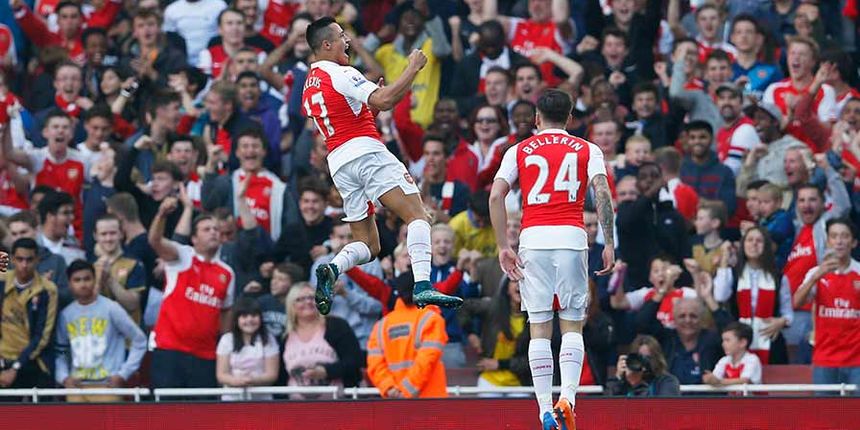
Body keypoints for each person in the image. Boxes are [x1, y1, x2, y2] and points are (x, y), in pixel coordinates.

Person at [301, 17, 461, 314]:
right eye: (341, 36)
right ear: (326, 44)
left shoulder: (309, 87)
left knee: (370, 246)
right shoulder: (340, 73)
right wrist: (413, 66)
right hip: (367, 153)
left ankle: (333, 267)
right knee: (418, 216)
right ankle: (424, 284)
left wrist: (370, 106)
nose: (347, 40)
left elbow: (347, 117)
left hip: (340, 164)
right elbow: (386, 100)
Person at [489, 89, 614, 429]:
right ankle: (568, 399)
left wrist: (504, 244)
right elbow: (601, 192)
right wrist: (609, 242)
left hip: (534, 238)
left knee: (539, 327)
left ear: (536, 119)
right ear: (570, 118)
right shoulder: (588, 149)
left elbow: (497, 194)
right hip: (573, 237)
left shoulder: (519, 150)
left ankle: (544, 408)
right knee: (573, 322)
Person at [148, 198, 235, 389]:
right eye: (206, 229)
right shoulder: (182, 256)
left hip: (206, 356)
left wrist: (224, 348)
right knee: (167, 414)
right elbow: (155, 241)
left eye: (216, 229)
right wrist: (161, 214)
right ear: (194, 238)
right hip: (170, 350)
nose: (213, 232)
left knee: (202, 416)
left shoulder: (227, 273)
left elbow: (226, 312)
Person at [54, 260, 146, 402]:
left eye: (87, 279)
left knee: (109, 425)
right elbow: (60, 350)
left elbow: (139, 340)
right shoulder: (66, 314)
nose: (83, 284)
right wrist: (64, 377)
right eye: (77, 280)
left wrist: (123, 374)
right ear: (69, 284)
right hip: (77, 387)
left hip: (108, 386)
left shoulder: (111, 308)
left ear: (95, 280)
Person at [794, 218, 860, 389]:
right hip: (825, 357)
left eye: (844, 236)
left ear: (853, 242)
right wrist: (816, 277)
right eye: (834, 236)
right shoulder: (816, 272)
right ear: (828, 241)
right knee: (824, 413)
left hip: (857, 359)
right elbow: (796, 302)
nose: (839, 241)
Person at [713, 227, 792, 364]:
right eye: (749, 240)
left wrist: (781, 321)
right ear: (743, 245)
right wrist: (724, 260)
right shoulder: (734, 274)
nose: (754, 244)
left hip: (770, 338)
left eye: (759, 241)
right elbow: (720, 295)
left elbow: (788, 313)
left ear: (766, 246)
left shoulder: (778, 277)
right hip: (740, 340)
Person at [366, 272, 448, 399]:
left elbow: (375, 364)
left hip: (395, 404)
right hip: (431, 403)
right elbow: (426, 361)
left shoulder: (382, 326)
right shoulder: (432, 320)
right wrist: (405, 392)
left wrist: (390, 389)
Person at [282, 282, 362, 399]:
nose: (308, 302)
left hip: (337, 404)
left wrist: (326, 371)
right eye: (300, 299)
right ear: (291, 305)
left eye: (312, 297)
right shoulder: (285, 336)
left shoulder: (337, 326)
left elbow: (354, 360)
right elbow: (281, 376)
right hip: (295, 408)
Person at [0, 239, 57, 390]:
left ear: (37, 259)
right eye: (19, 259)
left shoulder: (47, 290)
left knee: (39, 413)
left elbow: (42, 335)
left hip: (33, 362)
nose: (24, 265)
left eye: (29, 260)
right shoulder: (2, 281)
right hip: (3, 358)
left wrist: (16, 368)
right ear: (12, 259)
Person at [215, 297, 279, 401]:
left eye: (254, 315)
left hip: (262, 400)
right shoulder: (226, 340)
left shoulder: (268, 339)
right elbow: (221, 374)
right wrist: (236, 381)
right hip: (231, 399)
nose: (249, 320)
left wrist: (252, 380)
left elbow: (272, 375)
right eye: (244, 316)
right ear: (237, 319)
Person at [604, 334, 680, 396]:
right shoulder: (622, 382)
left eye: (648, 358)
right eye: (640, 358)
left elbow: (662, 410)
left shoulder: (667, 381)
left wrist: (638, 385)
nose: (644, 363)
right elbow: (607, 408)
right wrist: (618, 378)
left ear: (657, 358)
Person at [703, 322, 763, 387]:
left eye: (727, 340)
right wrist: (709, 379)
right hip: (733, 397)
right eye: (723, 340)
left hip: (753, 397)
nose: (723, 344)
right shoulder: (724, 360)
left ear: (742, 343)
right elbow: (715, 378)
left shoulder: (752, 359)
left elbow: (744, 381)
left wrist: (719, 382)